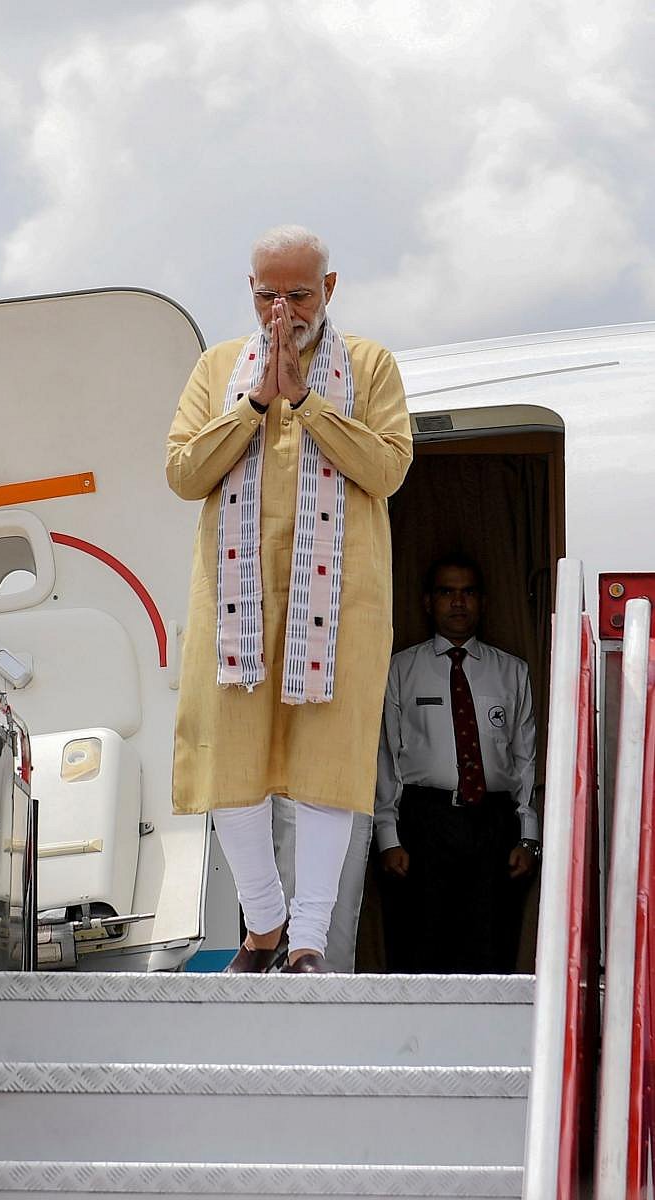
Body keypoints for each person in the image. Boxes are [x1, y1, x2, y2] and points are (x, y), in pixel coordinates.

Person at [166, 225, 412, 973]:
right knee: (225, 764)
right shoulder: (217, 369)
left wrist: (305, 400)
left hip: (338, 605)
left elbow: (389, 467)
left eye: (298, 294)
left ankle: (307, 937)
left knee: (324, 767)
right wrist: (250, 406)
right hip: (237, 603)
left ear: (329, 289)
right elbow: (182, 471)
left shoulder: (368, 365)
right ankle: (265, 921)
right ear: (249, 289)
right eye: (267, 293)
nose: (282, 310)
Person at [374, 554, 540, 973]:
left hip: (493, 824)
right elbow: (387, 756)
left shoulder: (511, 672)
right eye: (447, 592)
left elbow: (525, 760)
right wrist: (388, 836)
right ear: (429, 602)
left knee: (490, 945)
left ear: (482, 601)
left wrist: (528, 835)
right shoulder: (400, 669)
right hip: (424, 821)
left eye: (467, 592)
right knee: (422, 945)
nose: (458, 602)